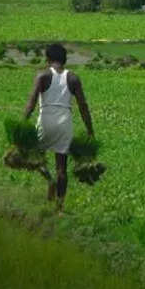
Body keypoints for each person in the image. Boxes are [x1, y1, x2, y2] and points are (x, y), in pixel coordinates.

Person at [24, 43, 94, 213]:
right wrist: (90, 129)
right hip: (65, 123)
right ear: (64, 59)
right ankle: (59, 206)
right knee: (61, 168)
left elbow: (32, 102)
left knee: (34, 156)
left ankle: (49, 180)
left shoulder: (42, 76)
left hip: (46, 119)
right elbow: (83, 106)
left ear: (47, 59)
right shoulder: (73, 78)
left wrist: (23, 122)